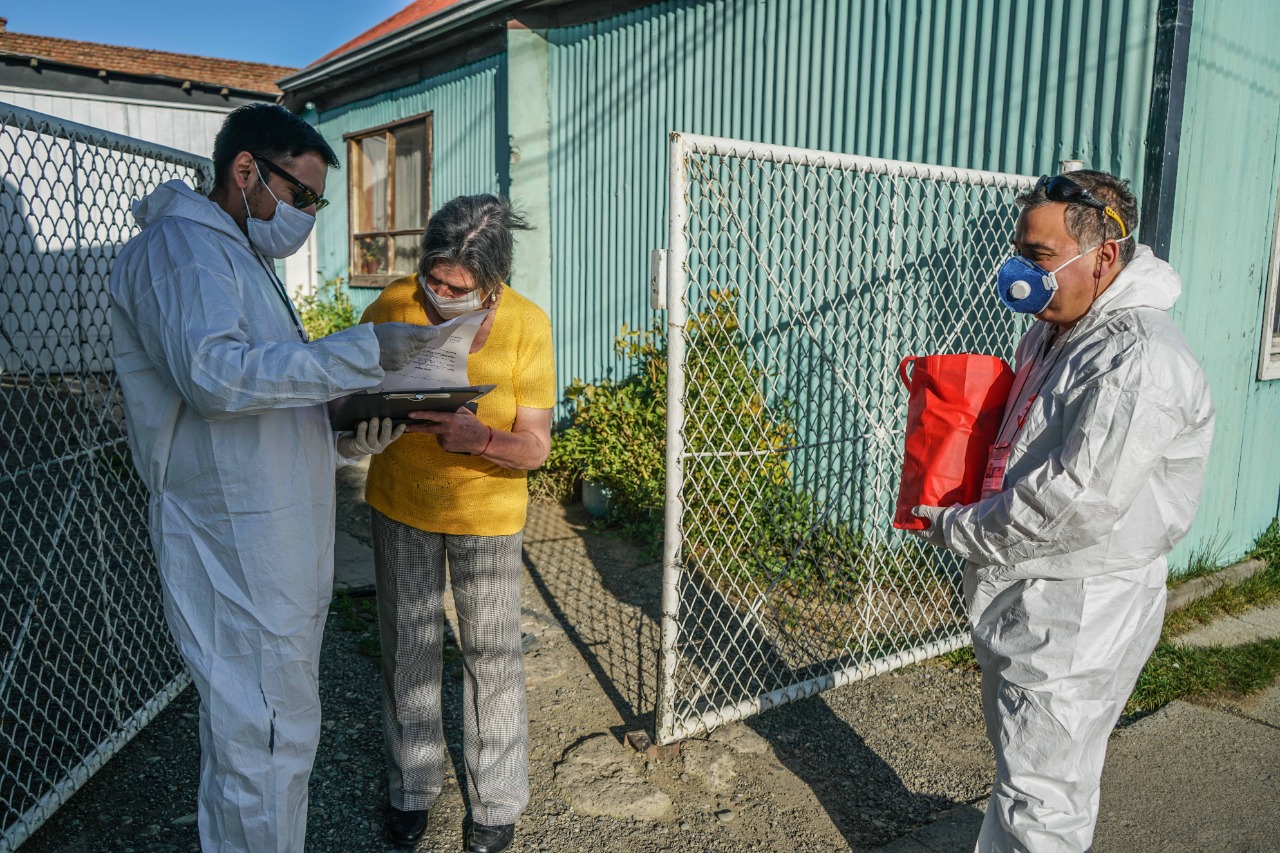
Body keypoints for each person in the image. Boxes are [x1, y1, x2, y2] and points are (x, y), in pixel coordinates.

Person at [109, 103, 441, 852]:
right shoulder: (181, 250)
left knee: (271, 740)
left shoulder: (238, 258)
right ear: (245, 169)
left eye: (319, 202)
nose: (309, 216)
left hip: (273, 540)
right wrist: (360, 352)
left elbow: (269, 406)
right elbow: (213, 379)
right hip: (232, 546)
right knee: (260, 748)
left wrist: (346, 436)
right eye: (303, 195)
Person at [910, 170, 1215, 852]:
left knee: (1043, 797)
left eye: (1039, 257)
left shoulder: (1137, 359)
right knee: (1029, 771)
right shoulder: (1059, 331)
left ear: (1104, 256)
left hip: (1078, 607)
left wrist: (957, 527)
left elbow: (1071, 504)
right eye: (1021, 250)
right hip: (1034, 590)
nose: (1021, 272)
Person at [359, 194, 554, 853]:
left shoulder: (529, 325)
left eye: (458, 287)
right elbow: (345, 391)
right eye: (432, 280)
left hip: (489, 513)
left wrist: (481, 439)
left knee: (492, 658)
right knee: (407, 652)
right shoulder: (390, 306)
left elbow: (536, 447)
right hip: (400, 503)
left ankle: (496, 803)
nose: (440, 294)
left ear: (494, 282)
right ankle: (411, 788)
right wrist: (362, 418)